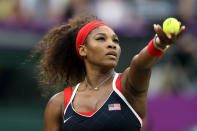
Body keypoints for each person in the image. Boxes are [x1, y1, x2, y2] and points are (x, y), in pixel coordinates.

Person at [32, 16, 185, 131]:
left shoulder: (127, 85)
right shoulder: (58, 104)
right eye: (101, 39)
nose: (111, 44)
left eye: (116, 41)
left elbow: (140, 64)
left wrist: (159, 44)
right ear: (83, 49)